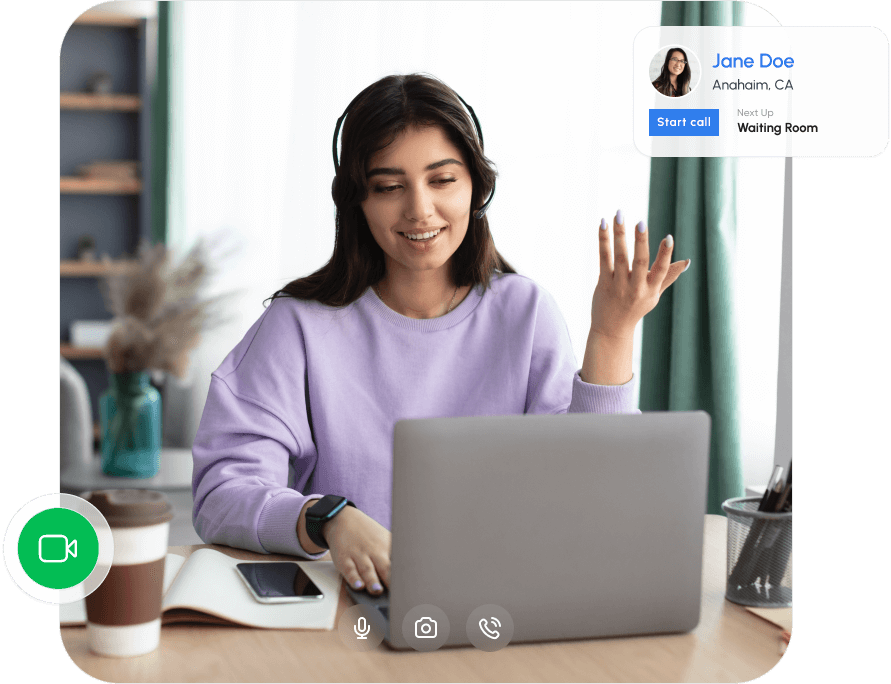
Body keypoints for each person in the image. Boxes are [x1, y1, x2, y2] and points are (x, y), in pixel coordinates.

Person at [192, 73, 690, 598]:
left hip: (504, 600)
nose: (419, 209)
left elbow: (590, 496)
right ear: (358, 201)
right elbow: (222, 496)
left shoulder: (525, 312)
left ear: (477, 185)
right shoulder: (297, 327)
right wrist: (328, 518)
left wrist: (612, 333)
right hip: (349, 612)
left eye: (442, 179)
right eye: (388, 187)